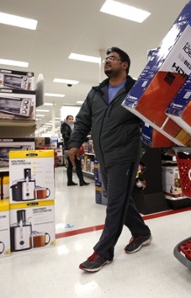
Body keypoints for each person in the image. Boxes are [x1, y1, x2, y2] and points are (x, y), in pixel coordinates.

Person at [68, 47, 152, 273]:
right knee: (121, 199)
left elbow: (152, 116)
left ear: (124, 65)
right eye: (106, 59)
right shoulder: (96, 93)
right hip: (103, 155)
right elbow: (83, 120)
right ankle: (142, 232)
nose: (107, 61)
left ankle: (103, 252)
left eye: (112, 59)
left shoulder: (136, 90)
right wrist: (74, 143)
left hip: (125, 154)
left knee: (115, 203)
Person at [60, 115, 89, 186]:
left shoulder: (71, 126)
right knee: (77, 164)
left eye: (72, 119)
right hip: (70, 148)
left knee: (71, 165)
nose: (71, 120)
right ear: (66, 120)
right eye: (70, 119)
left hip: (69, 147)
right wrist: (74, 140)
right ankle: (81, 181)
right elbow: (65, 136)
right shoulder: (65, 126)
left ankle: (71, 181)